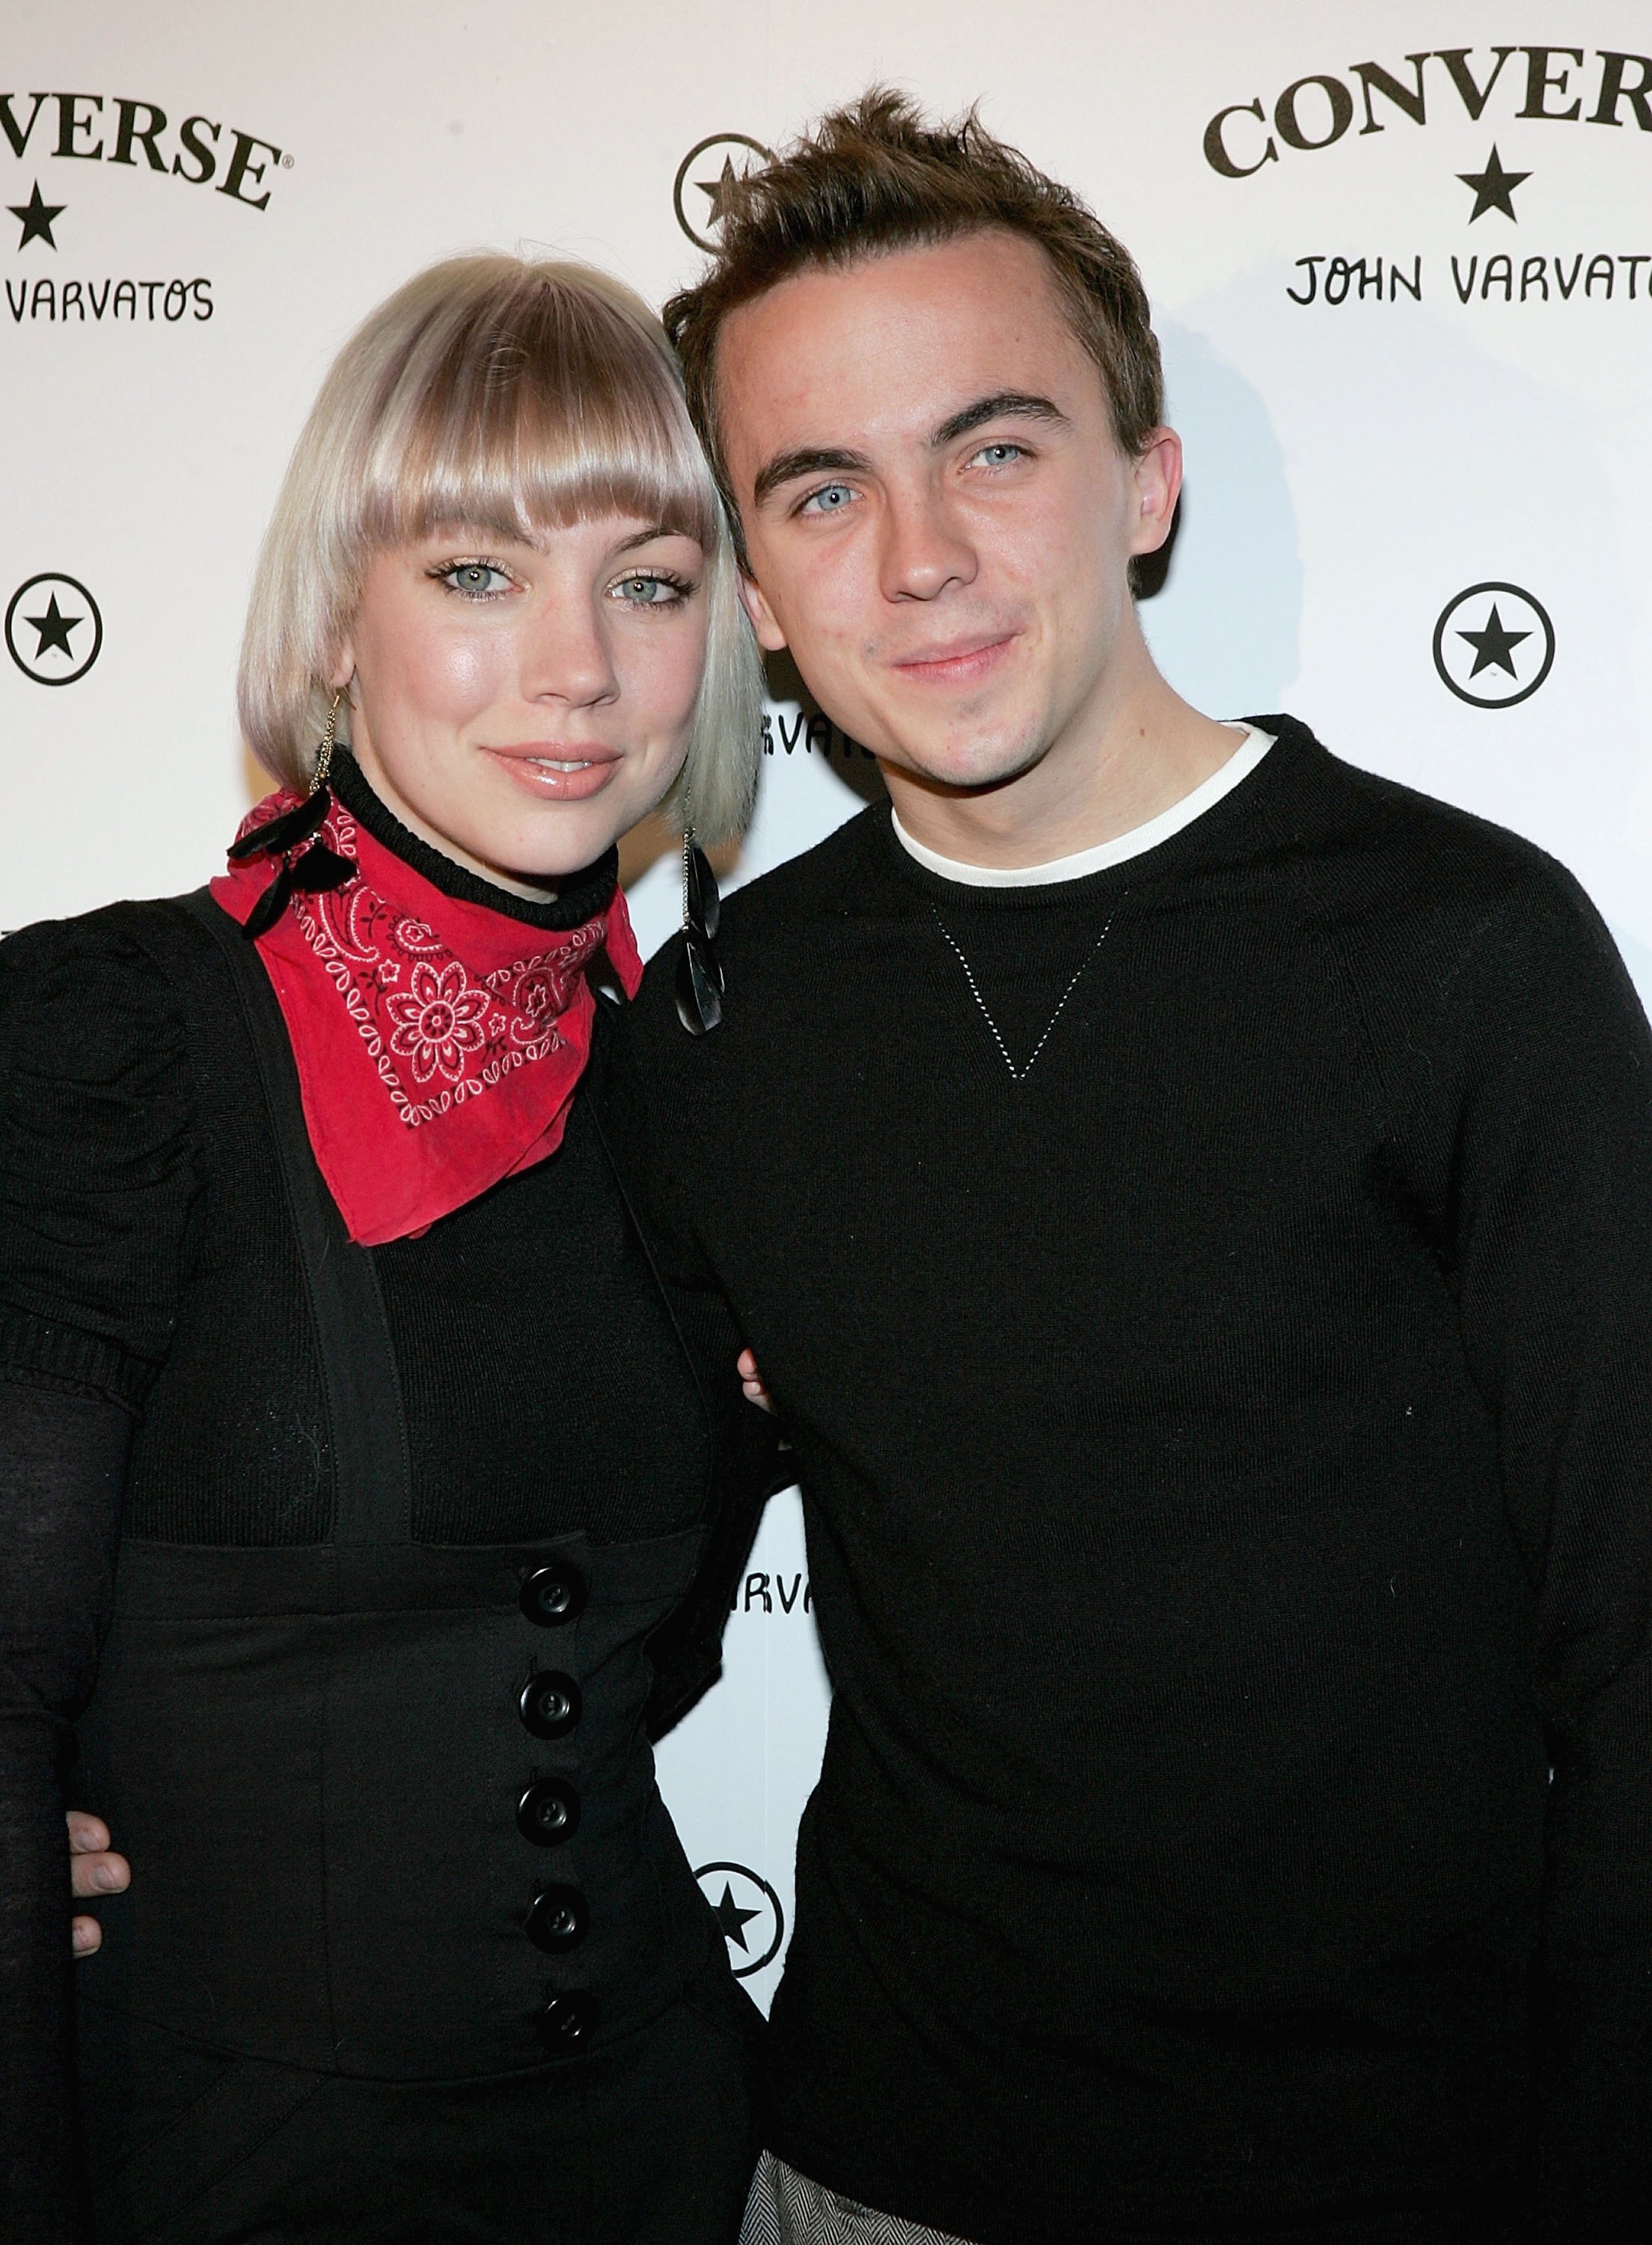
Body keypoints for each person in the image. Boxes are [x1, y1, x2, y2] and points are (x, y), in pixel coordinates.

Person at [593, 91, 1652, 2245]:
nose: (922, 558)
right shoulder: (721, 1024)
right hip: (873, 2172)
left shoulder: (1463, 951)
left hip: (1396, 2178)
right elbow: (606, 1581)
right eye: (823, 491)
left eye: (995, 447)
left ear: (1145, 483)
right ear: (762, 597)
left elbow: (1636, 1644)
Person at [0, 252, 777, 2244]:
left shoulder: (702, 1081)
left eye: (650, 581)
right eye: (475, 575)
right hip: (204, 2175)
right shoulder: (113, 1041)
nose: (581, 668)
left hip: (653, 2162)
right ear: (338, 617)